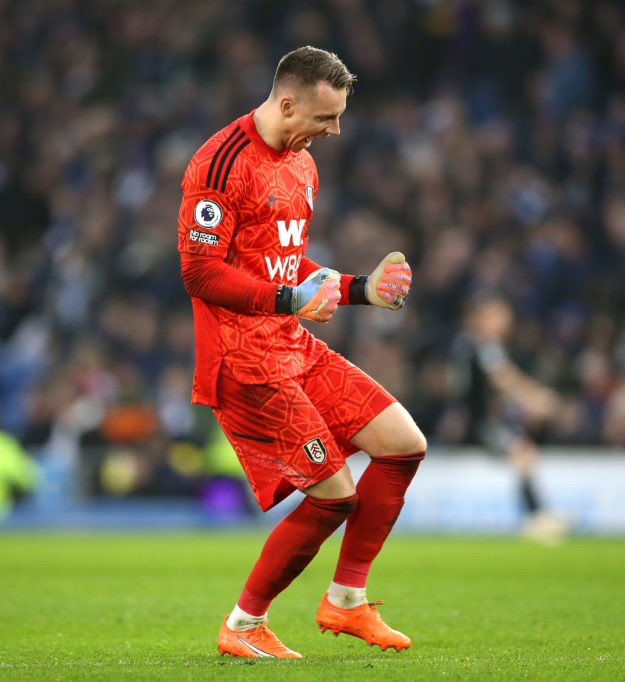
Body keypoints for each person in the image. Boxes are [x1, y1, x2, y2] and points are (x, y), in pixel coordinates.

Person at [176, 46, 426, 659]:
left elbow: (286, 264)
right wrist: (288, 299)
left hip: (292, 344)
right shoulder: (219, 163)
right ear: (287, 103)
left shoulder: (301, 165)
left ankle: (345, 602)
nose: (334, 131)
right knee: (335, 495)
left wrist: (359, 290)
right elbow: (199, 272)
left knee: (403, 445)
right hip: (245, 362)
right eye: (325, 117)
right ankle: (241, 626)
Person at [442, 295, 570, 542]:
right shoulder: (484, 345)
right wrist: (534, 398)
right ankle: (536, 518)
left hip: (473, 419)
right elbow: (503, 378)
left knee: (524, 452)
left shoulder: (464, 344)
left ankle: (538, 516)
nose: (504, 322)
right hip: (479, 423)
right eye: (498, 316)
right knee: (523, 452)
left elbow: (459, 384)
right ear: (483, 318)